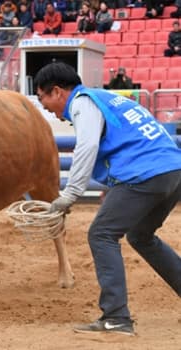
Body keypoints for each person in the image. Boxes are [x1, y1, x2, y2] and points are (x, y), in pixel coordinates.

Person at [34, 62, 181, 336]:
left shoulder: (82, 102)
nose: (44, 106)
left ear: (56, 91)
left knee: (101, 233)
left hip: (146, 173)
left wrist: (70, 194)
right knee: (141, 235)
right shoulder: (107, 98)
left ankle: (116, 318)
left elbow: (88, 145)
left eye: (42, 97)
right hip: (172, 170)